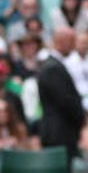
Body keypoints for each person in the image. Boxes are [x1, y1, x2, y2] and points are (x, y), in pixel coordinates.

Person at [38, 26, 86, 163]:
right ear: (61, 41)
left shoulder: (54, 65)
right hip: (58, 134)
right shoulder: (53, 68)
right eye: (72, 41)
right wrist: (81, 117)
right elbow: (66, 101)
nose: (74, 45)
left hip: (61, 132)